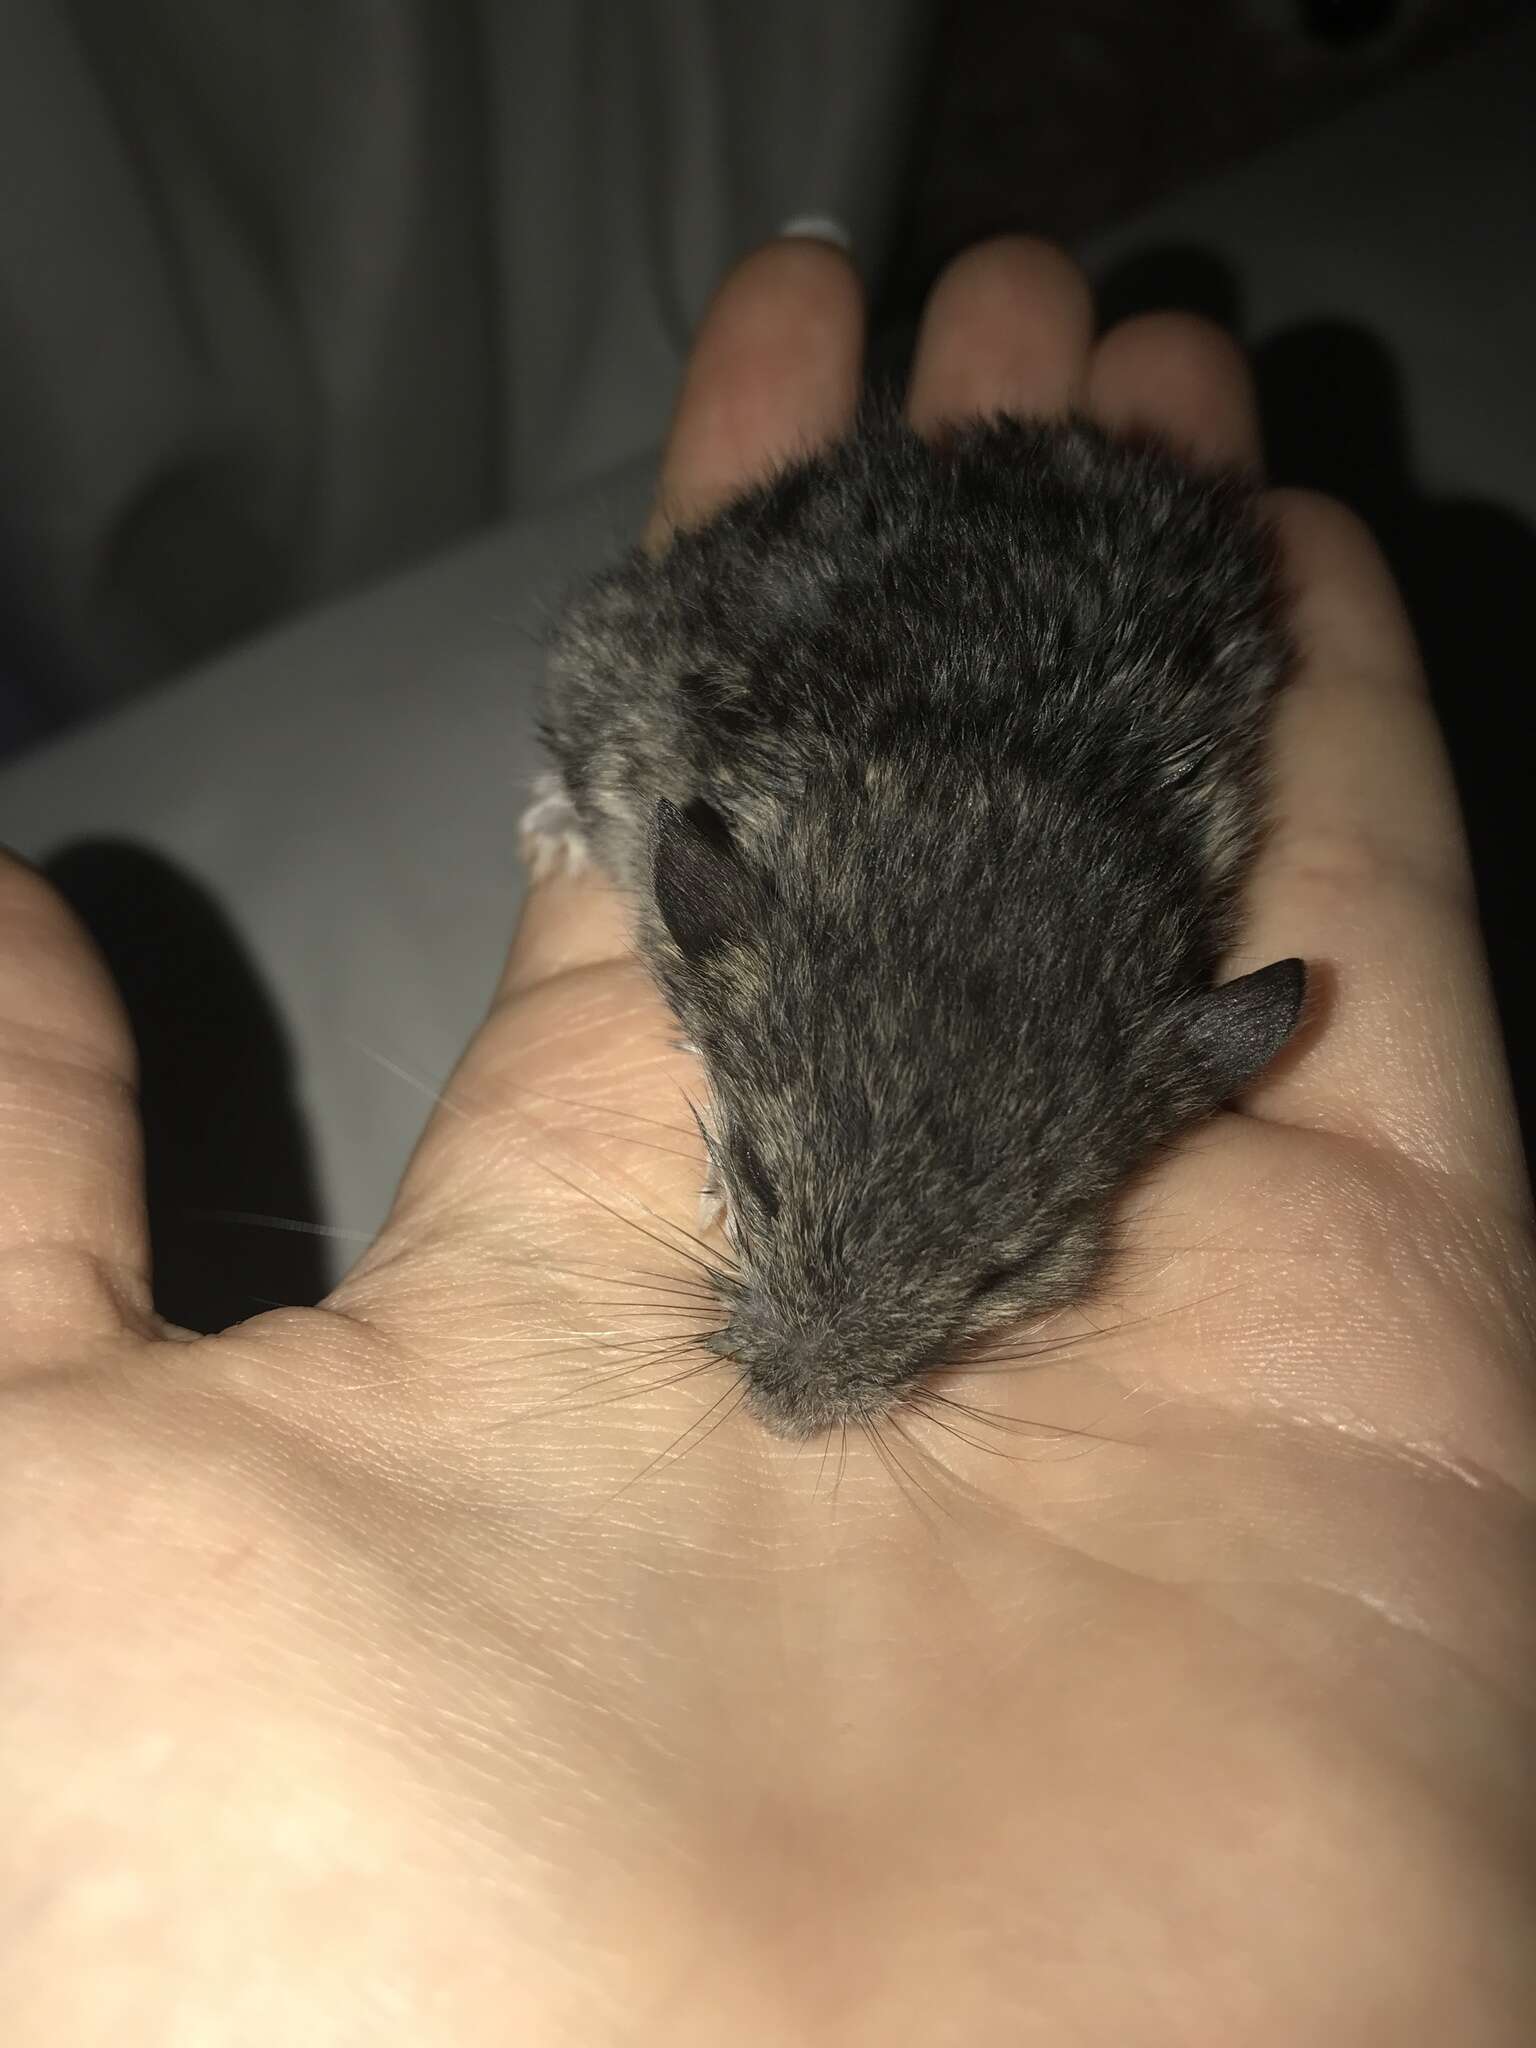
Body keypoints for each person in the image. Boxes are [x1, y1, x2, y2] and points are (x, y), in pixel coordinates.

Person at [3, 236, 1532, 2042]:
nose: (813, 1378)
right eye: (779, 1188)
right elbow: (646, 712)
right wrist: (605, 785)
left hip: (1064, 645)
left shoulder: (1119, 1009)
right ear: (711, 939)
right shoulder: (729, 844)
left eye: (973, 1278)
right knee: (607, 687)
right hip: (873, 639)